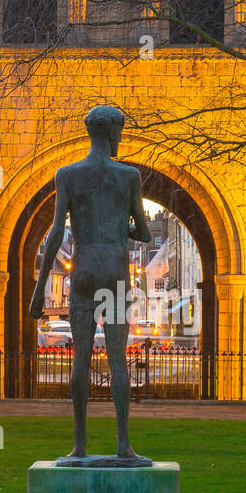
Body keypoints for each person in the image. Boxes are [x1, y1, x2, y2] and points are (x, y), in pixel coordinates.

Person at [29, 105, 152, 462]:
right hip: (113, 267)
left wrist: (38, 293)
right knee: (117, 361)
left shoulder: (66, 175)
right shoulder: (128, 176)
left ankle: (79, 446)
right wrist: (120, 230)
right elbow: (144, 231)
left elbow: (54, 235)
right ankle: (123, 445)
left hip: (83, 267)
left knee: (80, 360)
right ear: (112, 132)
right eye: (119, 133)